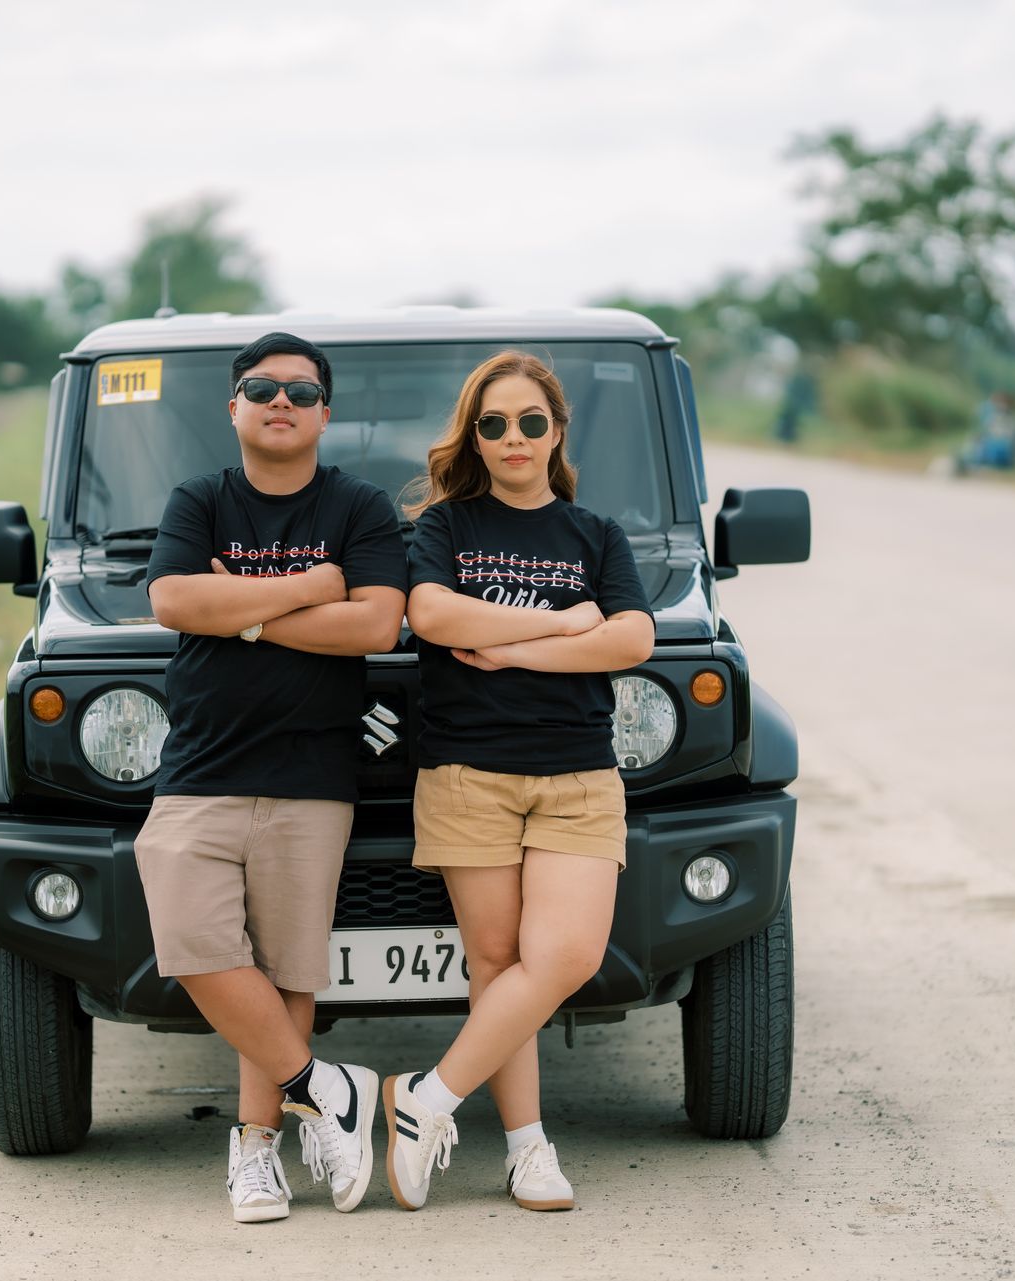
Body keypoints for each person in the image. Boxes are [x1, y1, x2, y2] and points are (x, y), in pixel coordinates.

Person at [142, 332, 409, 1224]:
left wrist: (245, 613)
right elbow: (176, 600)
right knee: (192, 940)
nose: (280, 401)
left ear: (326, 413)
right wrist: (311, 586)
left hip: (312, 772)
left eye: (299, 390)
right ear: (234, 408)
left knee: (289, 969)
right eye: (261, 388)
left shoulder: (360, 506)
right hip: (200, 767)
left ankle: (258, 1150)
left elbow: (374, 625)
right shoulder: (200, 499)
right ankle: (327, 1087)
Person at [385, 351, 655, 1212]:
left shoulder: (594, 534)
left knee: (565, 957)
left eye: (531, 421)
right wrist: (566, 625)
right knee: (498, 963)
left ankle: (426, 1097)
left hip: (578, 775)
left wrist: (508, 650)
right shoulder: (446, 526)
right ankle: (527, 1148)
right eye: (494, 423)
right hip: (469, 774)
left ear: (557, 432)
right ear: (474, 436)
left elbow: (632, 639)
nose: (514, 437)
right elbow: (431, 614)